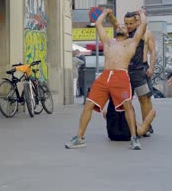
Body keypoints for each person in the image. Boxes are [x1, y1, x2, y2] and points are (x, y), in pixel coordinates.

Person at [65, 8, 147, 150]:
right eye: (119, 26)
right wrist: (105, 13)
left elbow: (143, 26)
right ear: (115, 30)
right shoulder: (108, 42)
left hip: (120, 76)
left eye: (124, 26)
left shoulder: (132, 42)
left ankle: (134, 138)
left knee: (127, 106)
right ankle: (79, 138)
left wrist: (142, 15)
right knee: (88, 105)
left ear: (128, 31)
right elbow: (98, 24)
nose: (121, 27)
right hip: (104, 76)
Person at [108, 10, 155, 136]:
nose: (128, 26)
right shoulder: (122, 33)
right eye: (126, 23)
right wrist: (110, 15)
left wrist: (143, 14)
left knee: (143, 99)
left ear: (136, 23)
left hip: (138, 73)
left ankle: (146, 127)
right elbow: (115, 23)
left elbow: (144, 25)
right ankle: (128, 125)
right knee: (124, 101)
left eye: (131, 23)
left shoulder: (140, 33)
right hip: (124, 73)